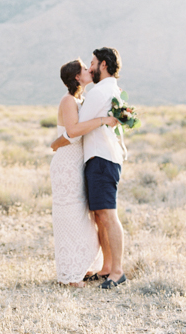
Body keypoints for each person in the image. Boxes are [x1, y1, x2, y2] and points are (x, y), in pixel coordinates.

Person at [51, 47, 128, 289]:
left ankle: (116, 271)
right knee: (97, 215)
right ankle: (106, 268)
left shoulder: (99, 92)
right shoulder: (101, 92)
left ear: (103, 65)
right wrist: (59, 141)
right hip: (90, 159)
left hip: (101, 159)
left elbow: (74, 130)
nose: (90, 68)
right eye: (86, 66)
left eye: (92, 64)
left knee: (106, 215)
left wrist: (58, 141)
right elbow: (74, 128)